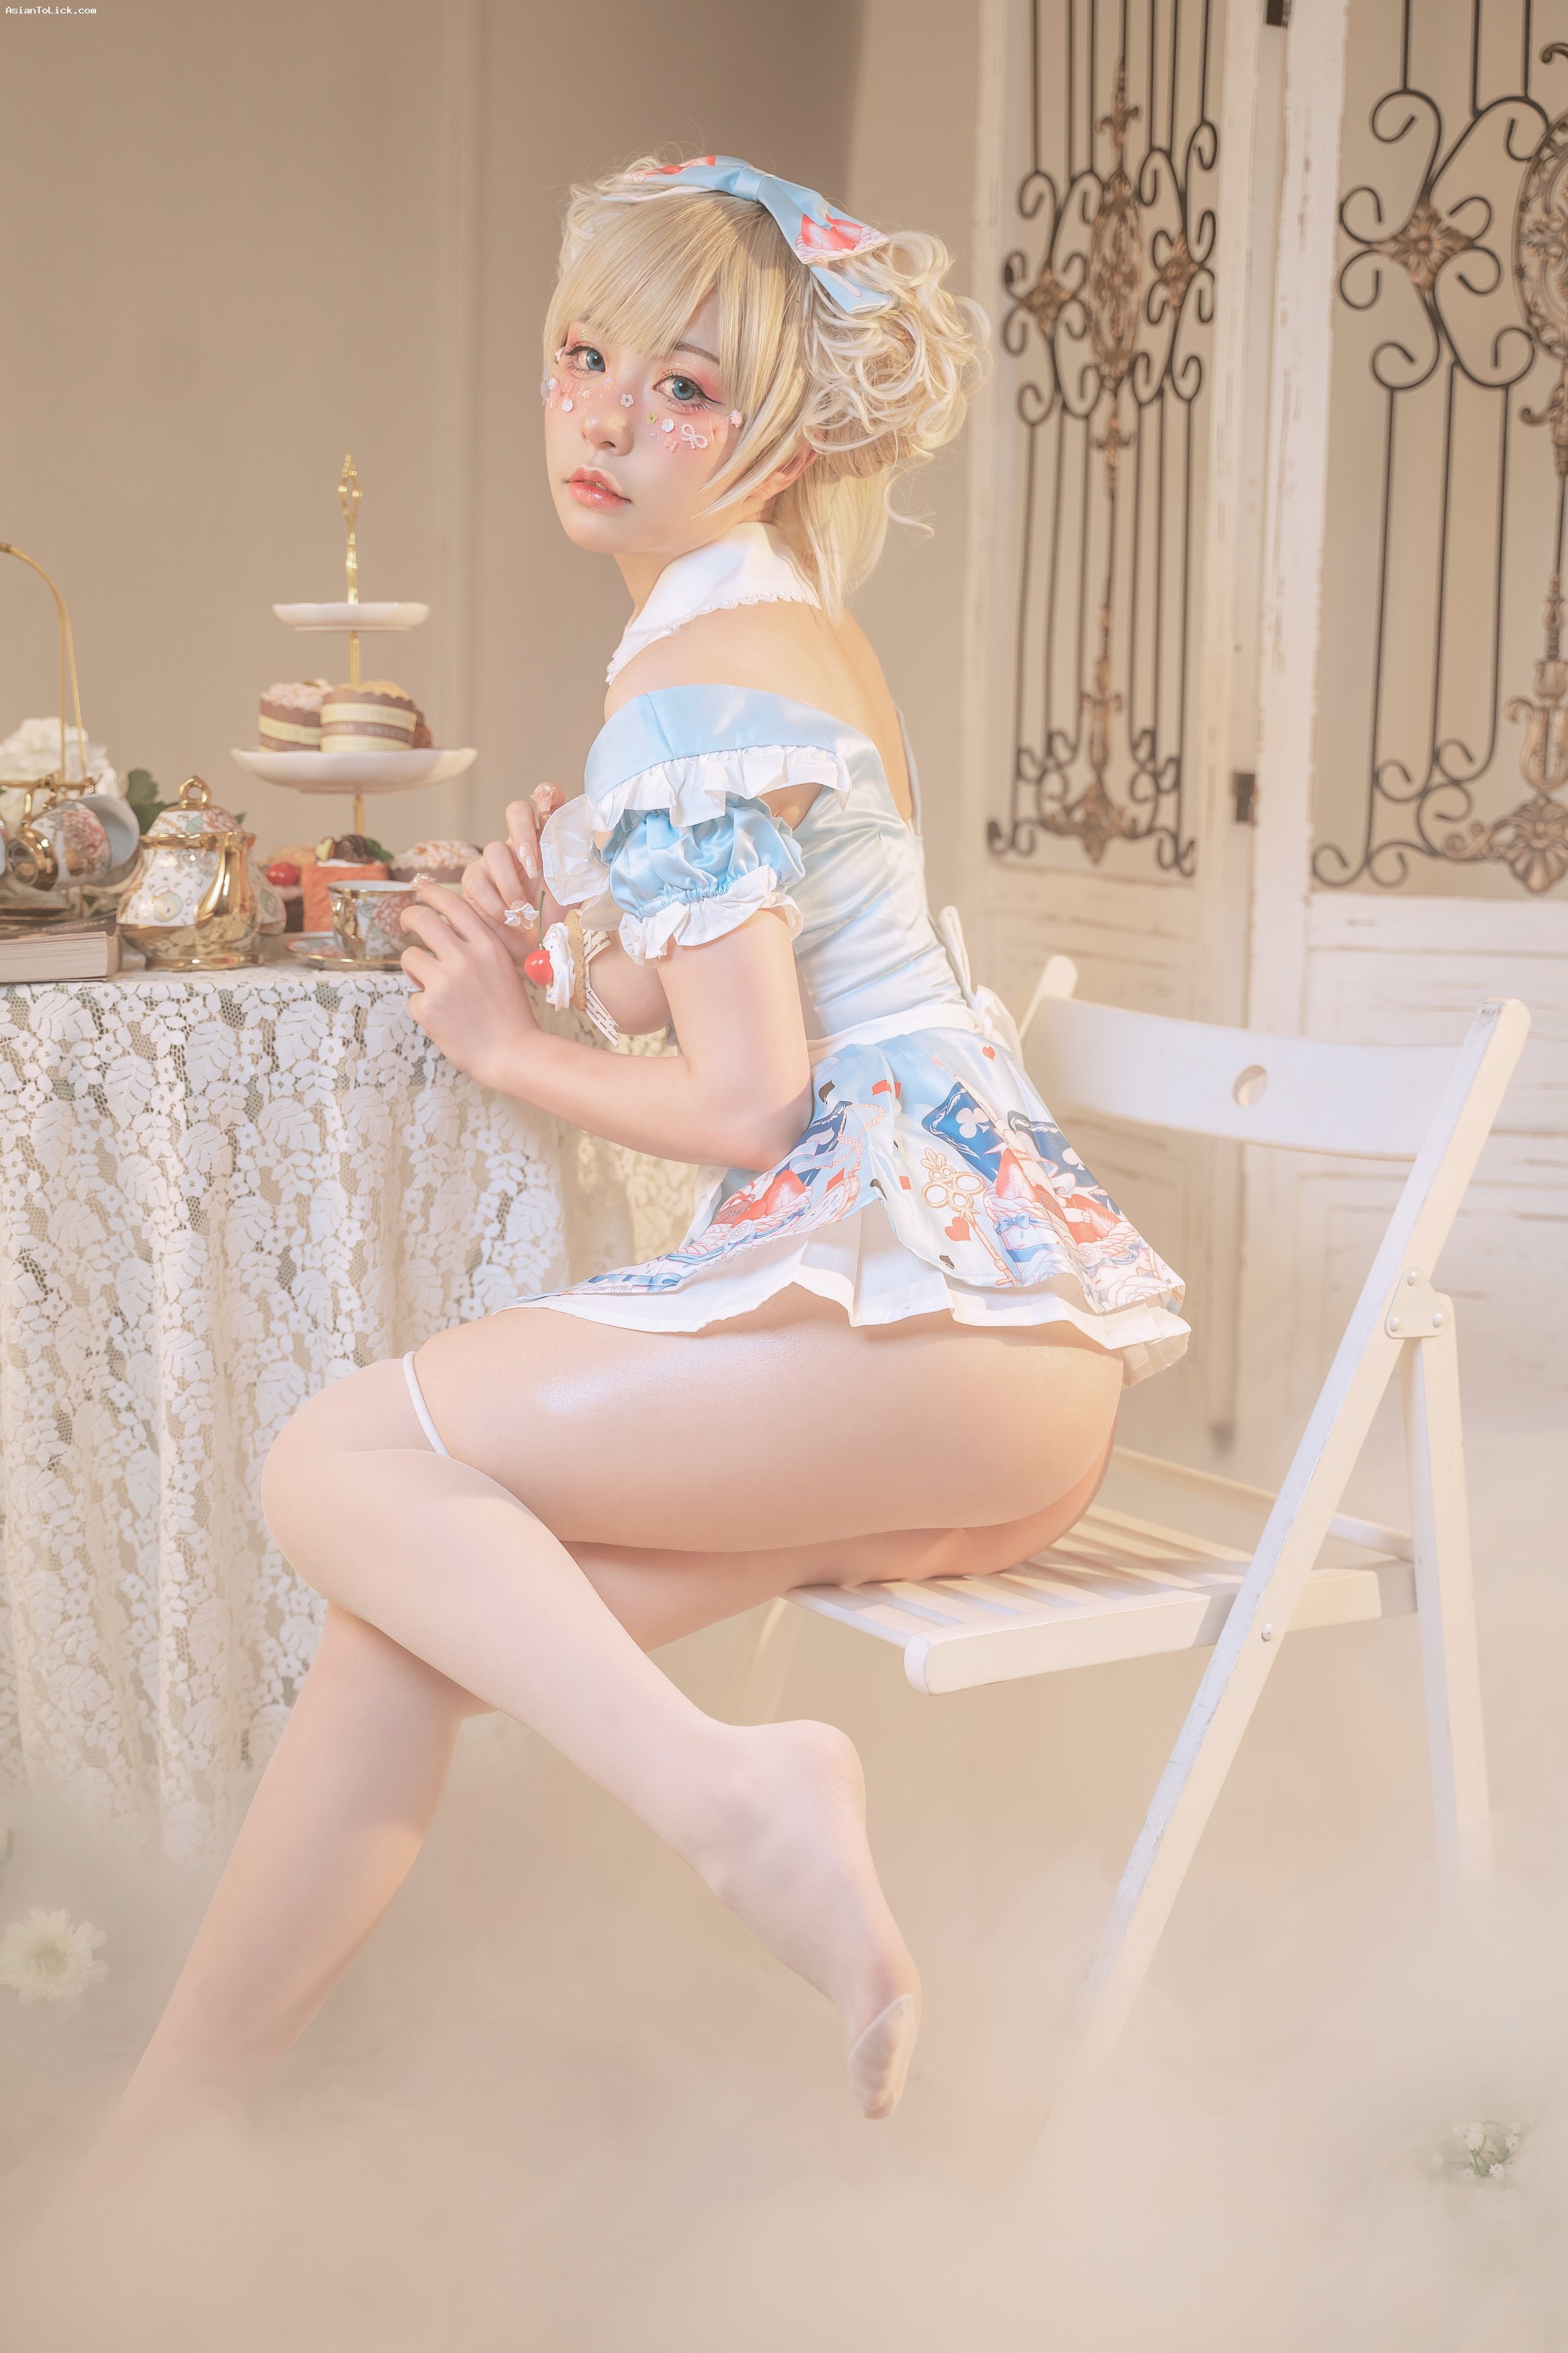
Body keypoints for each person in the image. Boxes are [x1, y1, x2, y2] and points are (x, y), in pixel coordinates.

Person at [101, 157, 1186, 2145]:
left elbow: (752, 1103)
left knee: (334, 1461)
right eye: (585, 358)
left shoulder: (687, 689)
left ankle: (737, 1798)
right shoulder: (785, 636)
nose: (606, 418)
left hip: (922, 1352)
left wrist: (506, 1041)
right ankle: (165, 2148)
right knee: (406, 1622)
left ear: (791, 437)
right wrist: (581, 931)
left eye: (685, 388)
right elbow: (740, 999)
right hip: (1013, 1400)